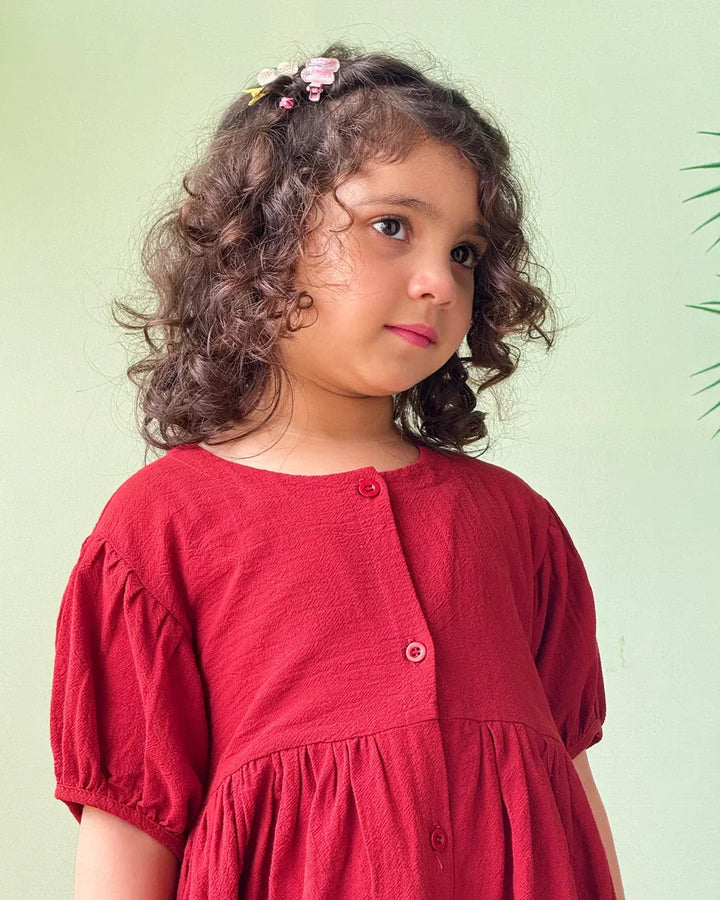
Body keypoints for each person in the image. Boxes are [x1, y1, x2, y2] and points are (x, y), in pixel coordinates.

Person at [49, 43, 626, 899]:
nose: (438, 282)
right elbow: (130, 830)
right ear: (266, 239)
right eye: (392, 227)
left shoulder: (514, 521)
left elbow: (568, 793)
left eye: (465, 252)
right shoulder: (162, 526)